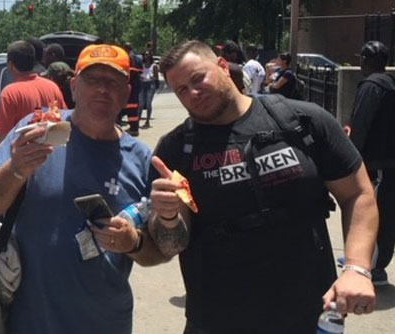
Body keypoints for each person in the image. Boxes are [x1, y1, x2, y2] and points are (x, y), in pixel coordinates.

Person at [150, 40, 377, 333]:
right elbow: (171, 244)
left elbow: (358, 192)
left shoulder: (303, 121)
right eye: (181, 89)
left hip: (308, 316)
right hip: (217, 320)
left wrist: (357, 268)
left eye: (198, 78)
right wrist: (167, 217)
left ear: (222, 66)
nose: (192, 92)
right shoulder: (175, 150)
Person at [0, 44, 165, 334]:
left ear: (126, 93)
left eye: (112, 82)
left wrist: (133, 243)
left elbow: (159, 252)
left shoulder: (141, 160)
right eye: (92, 80)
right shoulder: (37, 130)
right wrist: (16, 170)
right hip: (29, 322)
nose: (102, 89)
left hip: (106, 323)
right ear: (74, 87)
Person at [349, 40, 395, 285]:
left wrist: (351, 156)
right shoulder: (389, 85)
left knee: (376, 213)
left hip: (377, 162)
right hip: (387, 161)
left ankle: (374, 267)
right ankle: (368, 259)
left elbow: (361, 124)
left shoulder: (371, 86)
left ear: (366, 60)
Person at [0, 40, 66, 145]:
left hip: (26, 158)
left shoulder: (10, 93)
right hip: (52, 156)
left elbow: (2, 138)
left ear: (10, 64)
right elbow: (63, 125)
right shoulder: (52, 87)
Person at [138, 50, 159, 129]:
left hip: (150, 85)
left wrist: (153, 78)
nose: (146, 56)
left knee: (148, 103)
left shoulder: (154, 66)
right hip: (142, 84)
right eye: (145, 55)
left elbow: (156, 78)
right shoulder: (141, 65)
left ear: (150, 56)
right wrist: (140, 77)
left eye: (148, 55)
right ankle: (138, 120)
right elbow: (138, 74)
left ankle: (147, 121)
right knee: (141, 103)